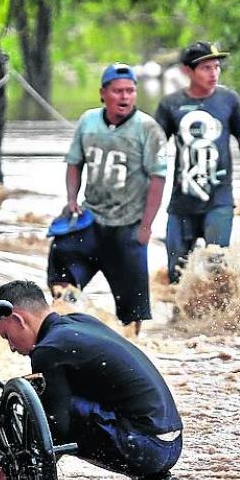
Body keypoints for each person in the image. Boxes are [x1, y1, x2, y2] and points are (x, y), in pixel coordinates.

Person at [0, 280, 183, 480]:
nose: (11, 347)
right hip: (172, 441)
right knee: (60, 402)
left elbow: (56, 427)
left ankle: (143, 479)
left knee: (47, 413)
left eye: (7, 337)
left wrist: (15, 469)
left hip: (147, 447)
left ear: (18, 319)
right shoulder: (80, 321)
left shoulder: (48, 350)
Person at [49, 62, 167, 337]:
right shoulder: (88, 121)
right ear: (103, 93)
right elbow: (74, 163)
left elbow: (158, 179)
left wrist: (146, 226)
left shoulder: (148, 129)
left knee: (133, 307)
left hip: (127, 225)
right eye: (117, 91)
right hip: (92, 219)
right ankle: (70, 330)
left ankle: (132, 345)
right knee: (61, 260)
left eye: (130, 91)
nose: (124, 97)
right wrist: (71, 199)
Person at [154, 41, 240, 283]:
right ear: (187, 71)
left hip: (219, 201)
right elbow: (154, 149)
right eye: (206, 68)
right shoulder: (170, 105)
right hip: (181, 203)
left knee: (216, 268)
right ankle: (177, 321)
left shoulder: (228, 100)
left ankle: (216, 321)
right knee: (175, 274)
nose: (213, 74)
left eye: (216, 67)